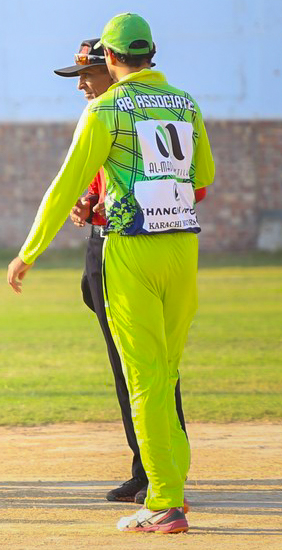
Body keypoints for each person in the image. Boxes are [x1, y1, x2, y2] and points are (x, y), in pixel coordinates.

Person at [8, 13, 214, 535]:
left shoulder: (105, 108)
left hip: (130, 251)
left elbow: (65, 185)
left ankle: (163, 501)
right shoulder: (185, 103)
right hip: (182, 249)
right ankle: (173, 490)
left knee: (143, 378)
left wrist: (29, 252)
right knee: (166, 374)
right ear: (151, 53)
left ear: (112, 57)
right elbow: (203, 178)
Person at [56, 39, 198, 505]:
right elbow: (96, 186)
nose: (82, 85)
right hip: (104, 245)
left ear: (113, 66)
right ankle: (148, 467)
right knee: (129, 366)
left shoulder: (126, 115)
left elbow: (187, 184)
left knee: (147, 368)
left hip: (136, 249)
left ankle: (159, 473)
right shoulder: (102, 117)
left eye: (88, 74)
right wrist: (86, 204)